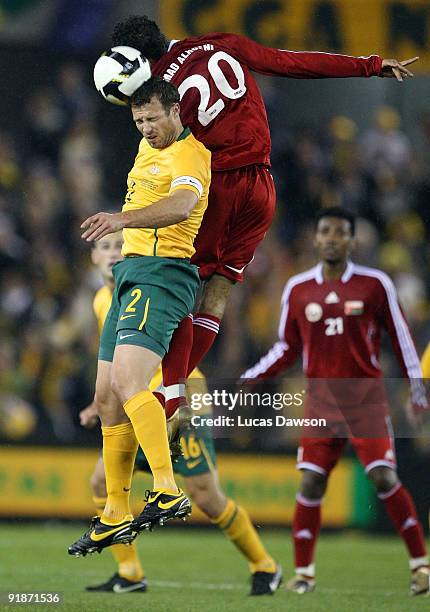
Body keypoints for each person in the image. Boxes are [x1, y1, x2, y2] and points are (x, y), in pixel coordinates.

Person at [110, 15, 418, 404]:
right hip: (262, 188)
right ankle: (173, 392)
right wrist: (370, 65)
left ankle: (169, 398)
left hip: (217, 186)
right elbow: (292, 62)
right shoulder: (221, 43)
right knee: (218, 293)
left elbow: (163, 153)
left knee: (187, 285)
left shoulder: (160, 94)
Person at [241, 207, 430, 596]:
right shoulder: (298, 289)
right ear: (315, 238)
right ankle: (304, 574)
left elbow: (401, 337)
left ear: (351, 240)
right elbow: (286, 347)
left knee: (383, 476)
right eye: (324, 230)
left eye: (340, 232)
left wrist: (417, 390)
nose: (331, 238)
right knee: (310, 482)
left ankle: (420, 565)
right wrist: (251, 378)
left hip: (366, 401)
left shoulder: (375, 284)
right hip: (320, 405)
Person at [80, 232, 282, 596]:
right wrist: (101, 401)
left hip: (179, 399)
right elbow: (114, 363)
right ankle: (130, 572)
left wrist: (177, 391)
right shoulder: (102, 301)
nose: (112, 254)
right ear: (93, 258)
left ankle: (265, 565)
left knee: (206, 496)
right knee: (100, 481)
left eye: (118, 247)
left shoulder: (154, 288)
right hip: (137, 405)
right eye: (105, 248)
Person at [68, 76, 211, 556]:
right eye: (139, 120)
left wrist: (122, 219)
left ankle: (168, 489)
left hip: (162, 273)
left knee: (131, 385)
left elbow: (184, 203)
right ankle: (114, 512)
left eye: (153, 117)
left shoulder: (191, 155)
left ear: (175, 111)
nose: (147, 127)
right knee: (107, 398)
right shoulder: (147, 145)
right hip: (130, 272)